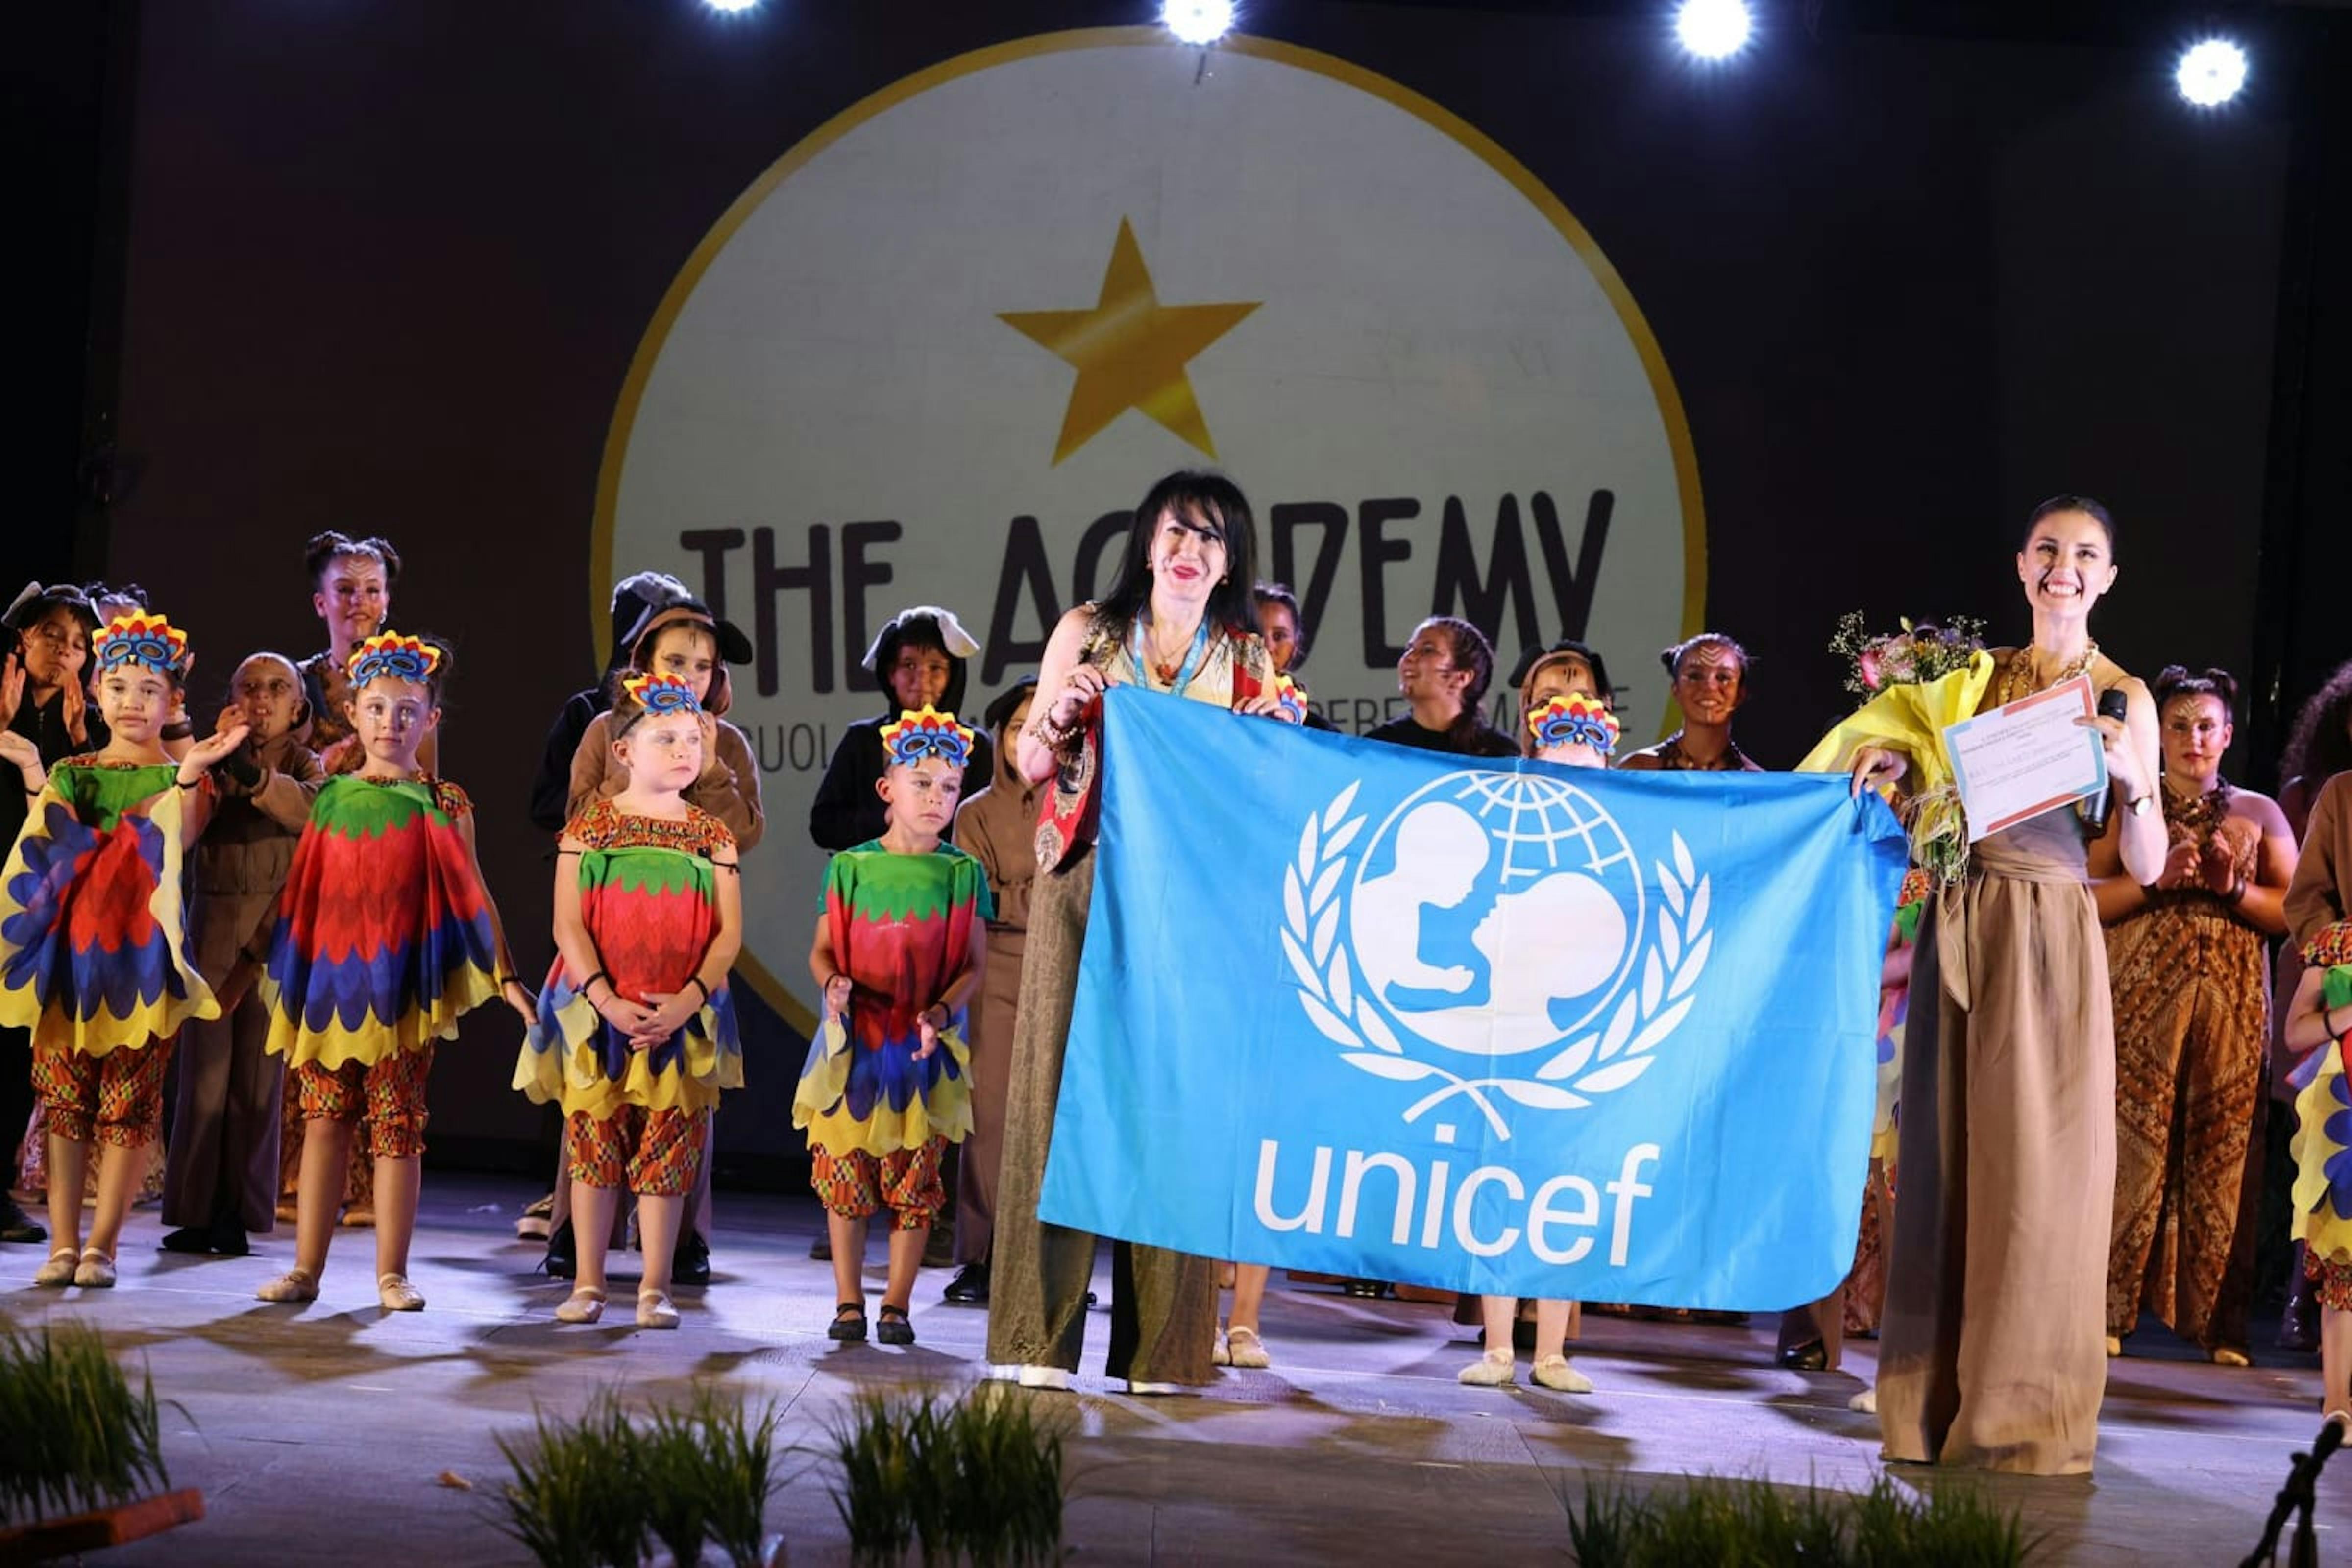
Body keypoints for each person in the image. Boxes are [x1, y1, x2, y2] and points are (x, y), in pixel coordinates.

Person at [1848, 495, 2165, 1475]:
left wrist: (2137, 780)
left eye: (2084, 554)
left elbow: (2146, 864)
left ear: (2108, 576)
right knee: (1945, 1167)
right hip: (1959, 918)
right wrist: (1894, 754)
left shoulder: (2123, 694)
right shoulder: (1973, 680)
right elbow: (1942, 795)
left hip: (2047, 934)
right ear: (2021, 566)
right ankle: (1924, 1404)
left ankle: (2019, 1418)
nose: (2063, 568)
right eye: (2047, 550)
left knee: (2034, 1177)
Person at [987, 469, 1294, 1394]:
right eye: (1176, 531)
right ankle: (1033, 1341)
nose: (1190, 549)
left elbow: (1266, 793)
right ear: (1147, 543)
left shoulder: (1244, 657)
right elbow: (1032, 760)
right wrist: (1063, 709)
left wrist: (1278, 737)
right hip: (1082, 882)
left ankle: (1165, 1351)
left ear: (1229, 560)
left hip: (1191, 905)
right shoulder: (1090, 631)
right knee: (1051, 1098)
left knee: (1179, 1112)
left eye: (1210, 536)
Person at [254, 632, 533, 1311]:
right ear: (352, 712)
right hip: (331, 986)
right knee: (324, 1120)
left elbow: (473, 891)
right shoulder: (330, 796)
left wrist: (507, 975)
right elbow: (304, 891)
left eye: (408, 710)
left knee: (397, 1125)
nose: (391, 722)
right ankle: (306, 1270)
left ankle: (392, 1273)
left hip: (404, 985)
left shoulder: (444, 802)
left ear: (431, 720)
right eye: (377, 707)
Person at [0, 612, 245, 1287]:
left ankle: (103, 1244)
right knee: (65, 1103)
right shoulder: (76, 771)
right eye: (117, 686)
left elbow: (182, 836)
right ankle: (63, 1242)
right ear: (98, 694)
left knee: (127, 1108)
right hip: (72, 959)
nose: (131, 702)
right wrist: (31, 769)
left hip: (141, 961)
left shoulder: (180, 777)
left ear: (172, 702)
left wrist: (192, 771)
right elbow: (42, 852)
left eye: (147, 689)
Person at [516, 674, 743, 1330]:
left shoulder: (713, 836)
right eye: (664, 737)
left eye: (692, 738)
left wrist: (686, 1002)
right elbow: (569, 925)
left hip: (683, 1012)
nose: (682, 750)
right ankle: (589, 1282)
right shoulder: (591, 827)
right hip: (598, 1013)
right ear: (623, 751)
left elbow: (728, 933)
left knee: (668, 1153)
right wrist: (607, 1000)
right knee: (594, 1146)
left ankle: (655, 1284)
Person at [550, 588, 760, 1286]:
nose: (690, 674)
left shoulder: (724, 742)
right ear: (642, 659)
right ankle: (575, 1240)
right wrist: (643, 767)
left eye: (703, 665)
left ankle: (676, 1245)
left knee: (682, 1095)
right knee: (593, 1094)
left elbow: (745, 833)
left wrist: (708, 761)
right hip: (608, 935)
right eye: (676, 659)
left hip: (685, 944)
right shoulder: (603, 730)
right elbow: (576, 813)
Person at [2093, 666, 2294, 1365]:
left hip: (2232, 1015)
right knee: (2126, 1150)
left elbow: (2292, 910)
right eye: (2178, 725)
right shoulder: (2127, 801)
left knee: (2225, 1155)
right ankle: (2106, 1311)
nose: (2192, 738)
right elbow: (2086, 899)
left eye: (2205, 725)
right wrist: (2154, 881)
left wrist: (2230, 885)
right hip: (2137, 1004)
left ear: (2228, 734)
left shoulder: (2261, 813)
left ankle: (2221, 1327)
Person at [795, 706, 989, 1347]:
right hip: (856, 1047)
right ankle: (850, 1300)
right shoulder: (850, 867)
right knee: (845, 1172)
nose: (936, 798)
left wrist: (940, 1011)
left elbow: (972, 965)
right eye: (921, 783)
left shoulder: (962, 874)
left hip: (920, 1050)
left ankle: (897, 1304)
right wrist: (833, 985)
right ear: (888, 790)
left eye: (949, 787)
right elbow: (823, 949)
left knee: (915, 1181)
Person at [1453, 646, 1617, 1395]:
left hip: (1584, 1000)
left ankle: (1551, 1349)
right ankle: (1495, 1344)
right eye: (1548, 686)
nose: (1563, 693)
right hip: (1506, 994)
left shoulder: (1626, 796)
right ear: (1526, 707)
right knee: (1498, 1165)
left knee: (1571, 1172)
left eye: (1576, 684)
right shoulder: (1498, 783)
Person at [159, 653, 323, 1257]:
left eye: (276, 689)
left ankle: (237, 1209)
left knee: (256, 1081)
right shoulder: (213, 755)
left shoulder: (307, 764)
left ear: (297, 709)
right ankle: (195, 1210)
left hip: (273, 932)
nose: (261, 699)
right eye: (248, 687)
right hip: (210, 922)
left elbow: (309, 810)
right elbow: (181, 815)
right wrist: (215, 756)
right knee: (203, 1079)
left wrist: (254, 776)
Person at [282, 531, 418, 1230]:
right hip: (316, 862)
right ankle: (301, 1183)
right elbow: (286, 772)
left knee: (385, 1030)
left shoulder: (407, 680)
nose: (359, 602)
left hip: (385, 867)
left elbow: (426, 779)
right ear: (321, 601)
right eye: (346, 589)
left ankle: (372, 1181)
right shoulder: (296, 681)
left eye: (371, 590)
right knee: (315, 1037)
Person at [0, 583, 105, 1246]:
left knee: (15, 1053)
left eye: (77, 644)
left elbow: (89, 824)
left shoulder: (84, 727)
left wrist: (75, 738)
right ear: (22, 641)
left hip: (39, 914)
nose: (64, 652)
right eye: (51, 637)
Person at [941, 678, 1039, 1306]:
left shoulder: (1086, 804)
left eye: (1040, 726)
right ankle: (980, 1256)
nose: (1026, 739)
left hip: (1067, 973)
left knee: (1053, 1124)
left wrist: (1017, 897)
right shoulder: (975, 811)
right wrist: (1039, 896)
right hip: (995, 971)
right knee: (992, 1118)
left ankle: (1048, 1263)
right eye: (1014, 728)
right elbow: (977, 902)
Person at [2276, 660, 2352, 1350]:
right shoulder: (2338, 797)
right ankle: (2312, 1295)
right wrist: (2344, 949)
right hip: (2342, 992)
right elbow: (2305, 900)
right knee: (2331, 1158)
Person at [808, 607, 992, 852]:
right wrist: (885, 818)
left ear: (953, 676)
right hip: (872, 884)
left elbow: (988, 828)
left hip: (953, 884)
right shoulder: (862, 741)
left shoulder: (974, 746)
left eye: (936, 668)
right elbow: (824, 826)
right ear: (891, 674)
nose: (922, 679)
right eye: (909, 665)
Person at [2282, 921, 2352, 1425]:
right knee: (2341, 1261)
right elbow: (2295, 1032)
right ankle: (2338, 1403)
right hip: (2344, 1107)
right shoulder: (2337, 941)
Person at [1365, 617, 1518, 758]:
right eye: (1409, 649)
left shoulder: (1500, 755)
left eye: (1428, 650)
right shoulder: (1377, 748)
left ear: (1461, 678)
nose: (1408, 657)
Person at [1618, 633, 1762, 772]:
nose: (1709, 687)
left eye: (1723, 677)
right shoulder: (1637, 771)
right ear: (1676, 690)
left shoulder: (1758, 785)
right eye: (1695, 676)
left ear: (1740, 695)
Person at [1253, 582, 1333, 732]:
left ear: (1295, 647)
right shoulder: (1214, 691)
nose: (1268, 647)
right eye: (1256, 634)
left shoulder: (1319, 731)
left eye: (1279, 637)